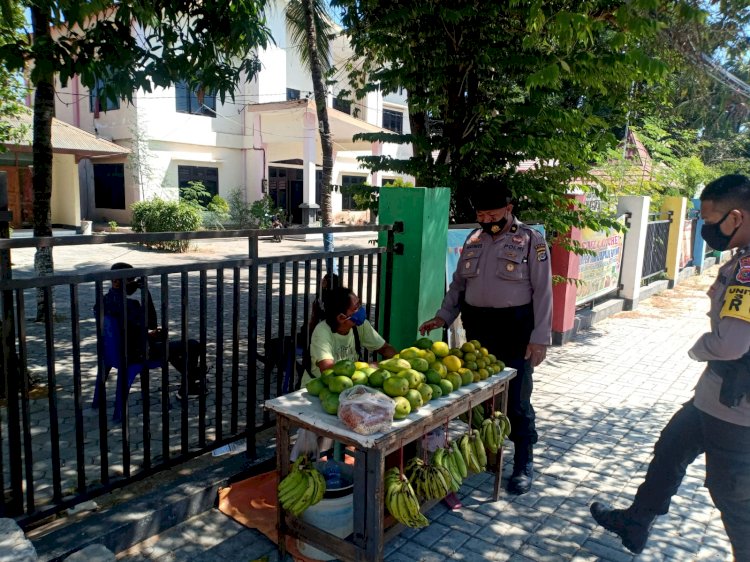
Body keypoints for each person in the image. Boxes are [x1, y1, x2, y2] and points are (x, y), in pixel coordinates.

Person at [590, 174, 750, 560]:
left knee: (732, 497)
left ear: (737, 218)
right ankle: (636, 522)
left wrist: (698, 349)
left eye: (710, 222)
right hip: (713, 397)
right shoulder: (743, 259)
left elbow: (730, 344)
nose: (706, 230)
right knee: (671, 448)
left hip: (736, 410)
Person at [419, 178, 552, 495]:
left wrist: (540, 338)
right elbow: (458, 286)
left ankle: (523, 462)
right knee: (480, 398)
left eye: (493, 214)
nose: (487, 220)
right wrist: (443, 315)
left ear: (509, 208)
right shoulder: (473, 240)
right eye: (482, 215)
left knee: (517, 399)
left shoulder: (531, 241)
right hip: (477, 331)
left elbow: (544, 292)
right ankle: (484, 456)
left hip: (516, 330)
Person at [97, 262, 208, 401]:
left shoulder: (104, 300)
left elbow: (124, 330)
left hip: (116, 351)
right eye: (131, 279)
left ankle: (193, 375)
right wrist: (146, 292)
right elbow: (152, 323)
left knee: (167, 344)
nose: (135, 283)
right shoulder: (131, 305)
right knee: (192, 345)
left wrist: (149, 335)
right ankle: (189, 385)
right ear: (118, 281)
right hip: (137, 354)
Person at [309, 285, 396, 380]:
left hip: (351, 384)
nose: (360, 309)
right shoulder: (322, 332)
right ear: (341, 318)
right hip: (321, 386)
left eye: (359, 304)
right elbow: (328, 369)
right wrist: (368, 367)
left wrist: (398, 362)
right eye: (356, 308)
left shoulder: (360, 325)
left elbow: (385, 348)